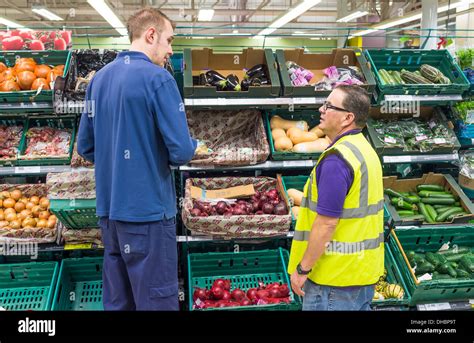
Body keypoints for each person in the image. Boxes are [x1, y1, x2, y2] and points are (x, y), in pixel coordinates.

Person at [77, 8, 197, 311]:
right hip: (149, 216)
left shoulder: (98, 80)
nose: (171, 50)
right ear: (151, 35)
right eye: (169, 40)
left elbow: (85, 147)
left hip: (110, 215)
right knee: (155, 302)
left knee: (119, 302)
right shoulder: (159, 80)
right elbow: (181, 151)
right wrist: (194, 145)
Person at [287, 85, 384, 311]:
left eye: (329, 106)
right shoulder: (365, 149)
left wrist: (303, 269)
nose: (321, 109)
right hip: (361, 273)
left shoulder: (337, 160)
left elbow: (327, 223)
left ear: (347, 118)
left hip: (333, 279)